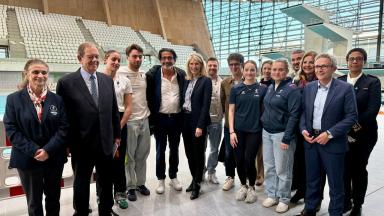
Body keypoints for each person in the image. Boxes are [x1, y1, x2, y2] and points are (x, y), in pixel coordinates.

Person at [56, 42, 121, 216]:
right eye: (90, 57)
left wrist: (117, 136)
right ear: (79, 58)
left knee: (107, 181)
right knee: (81, 183)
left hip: (106, 142)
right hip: (81, 145)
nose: (94, 60)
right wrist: (67, 143)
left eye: (96, 57)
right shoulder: (66, 83)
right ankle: (81, 211)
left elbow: (114, 111)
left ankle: (106, 210)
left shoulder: (106, 80)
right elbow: (64, 118)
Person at [4, 59, 68, 216]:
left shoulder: (57, 100)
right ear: (27, 74)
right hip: (27, 159)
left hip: (53, 158)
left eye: (44, 72)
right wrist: (34, 150)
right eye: (35, 72)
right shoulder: (14, 99)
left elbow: (64, 127)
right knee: (34, 202)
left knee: (53, 199)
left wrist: (48, 150)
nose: (40, 75)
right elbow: (11, 129)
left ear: (48, 75)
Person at [297, 53, 357, 216]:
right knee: (312, 181)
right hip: (311, 141)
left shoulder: (345, 88)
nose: (319, 69)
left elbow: (352, 117)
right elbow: (303, 113)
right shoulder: (309, 88)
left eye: (324, 66)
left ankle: (335, 212)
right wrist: (303, 130)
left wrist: (329, 134)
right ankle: (310, 209)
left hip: (332, 143)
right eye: (317, 66)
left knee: (336, 184)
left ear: (333, 68)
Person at [339, 48, 381, 216]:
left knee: (358, 168)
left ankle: (358, 204)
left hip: (364, 135)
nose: (354, 61)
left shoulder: (372, 82)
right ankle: (345, 201)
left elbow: (372, 111)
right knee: (343, 169)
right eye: (351, 58)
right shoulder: (340, 81)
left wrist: (351, 128)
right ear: (347, 61)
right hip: (341, 134)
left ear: (364, 61)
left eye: (358, 58)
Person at [261, 59, 301, 213]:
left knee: (283, 169)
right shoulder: (271, 87)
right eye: (274, 69)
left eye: (280, 70)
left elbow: (294, 115)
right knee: (270, 166)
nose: (277, 72)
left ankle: (284, 198)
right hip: (267, 132)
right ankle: (272, 194)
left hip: (281, 134)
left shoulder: (292, 90)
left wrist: (287, 138)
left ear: (286, 71)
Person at [146, 48, 186, 194]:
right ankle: (161, 179)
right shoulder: (154, 75)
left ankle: (173, 176)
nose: (167, 60)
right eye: (164, 58)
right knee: (160, 150)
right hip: (160, 119)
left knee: (174, 150)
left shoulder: (181, 74)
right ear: (160, 60)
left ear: (174, 59)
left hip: (176, 119)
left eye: (170, 58)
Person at [228, 60, 267, 203]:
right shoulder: (236, 89)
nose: (249, 72)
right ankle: (243, 185)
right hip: (238, 131)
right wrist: (232, 132)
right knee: (239, 160)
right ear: (243, 71)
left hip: (255, 130)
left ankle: (251, 188)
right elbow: (231, 110)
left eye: (252, 70)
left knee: (249, 160)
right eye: (247, 70)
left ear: (256, 71)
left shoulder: (263, 89)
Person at [291, 51, 326, 207]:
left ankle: (317, 197)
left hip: (317, 129)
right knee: (300, 163)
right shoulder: (297, 80)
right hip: (299, 128)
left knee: (318, 167)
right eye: (305, 62)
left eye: (310, 62)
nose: (306, 65)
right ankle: (302, 190)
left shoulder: (323, 81)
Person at [117, 44, 151, 201]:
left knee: (142, 155)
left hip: (144, 119)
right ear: (128, 57)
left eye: (140, 56)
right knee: (129, 157)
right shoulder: (120, 72)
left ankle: (140, 183)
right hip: (130, 121)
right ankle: (130, 186)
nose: (137, 59)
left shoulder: (144, 74)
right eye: (134, 56)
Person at [103, 50, 132, 209]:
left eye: (118, 60)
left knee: (119, 160)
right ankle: (103, 194)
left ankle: (120, 192)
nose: (116, 62)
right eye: (113, 59)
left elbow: (128, 107)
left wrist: (118, 128)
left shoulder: (125, 81)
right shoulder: (98, 79)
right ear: (105, 59)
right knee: (104, 161)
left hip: (120, 122)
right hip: (103, 122)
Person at [182, 53, 212, 200]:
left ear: (201, 65)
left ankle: (198, 183)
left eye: (197, 64)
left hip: (198, 122)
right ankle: (194, 178)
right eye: (191, 64)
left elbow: (206, 105)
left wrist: (200, 126)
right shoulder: (186, 81)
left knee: (198, 153)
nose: (194, 66)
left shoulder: (206, 81)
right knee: (188, 153)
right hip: (186, 120)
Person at [220, 53, 244, 191]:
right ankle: (230, 177)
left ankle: (244, 179)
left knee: (243, 154)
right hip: (230, 126)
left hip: (245, 126)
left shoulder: (250, 80)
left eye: (237, 64)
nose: (234, 67)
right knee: (229, 153)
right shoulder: (225, 83)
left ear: (242, 64)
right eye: (231, 64)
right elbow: (224, 103)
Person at [205, 57, 223, 184]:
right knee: (201, 148)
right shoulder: (201, 81)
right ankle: (200, 170)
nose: (212, 68)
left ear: (218, 67)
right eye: (210, 65)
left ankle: (211, 171)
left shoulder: (223, 82)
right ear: (206, 66)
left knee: (214, 148)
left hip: (216, 120)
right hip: (202, 121)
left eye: (214, 66)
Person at [256, 60, 273, 187]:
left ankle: (268, 176)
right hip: (257, 121)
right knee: (258, 151)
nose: (267, 71)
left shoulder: (275, 84)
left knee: (266, 152)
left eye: (269, 68)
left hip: (270, 122)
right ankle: (259, 174)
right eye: (265, 68)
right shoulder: (257, 84)